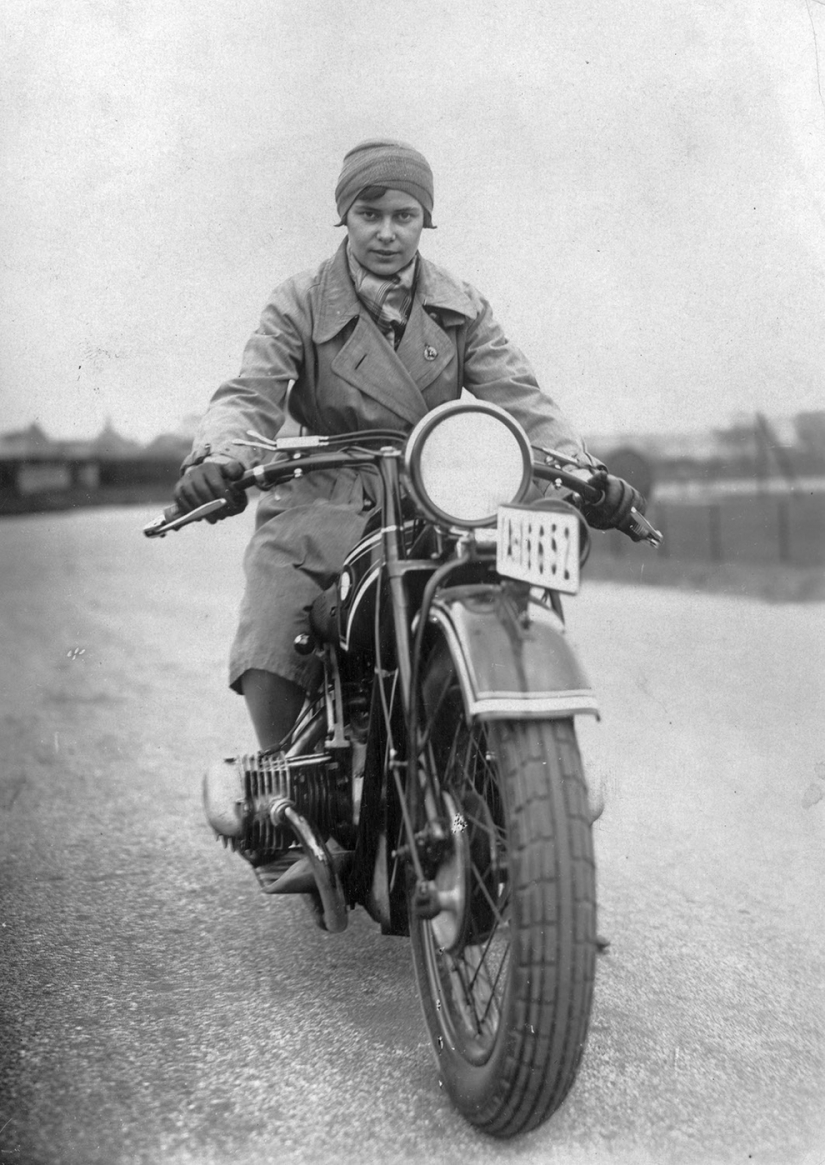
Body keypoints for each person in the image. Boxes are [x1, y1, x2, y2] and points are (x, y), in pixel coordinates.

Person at [176, 138, 644, 754]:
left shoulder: (462, 306)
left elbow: (520, 398)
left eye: (405, 216)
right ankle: (285, 791)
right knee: (276, 604)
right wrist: (221, 457)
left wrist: (585, 472)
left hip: (436, 492)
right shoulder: (299, 301)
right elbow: (251, 390)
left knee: (517, 572)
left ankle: (513, 739)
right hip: (328, 492)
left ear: (426, 219)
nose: (388, 234)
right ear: (345, 216)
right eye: (371, 215)